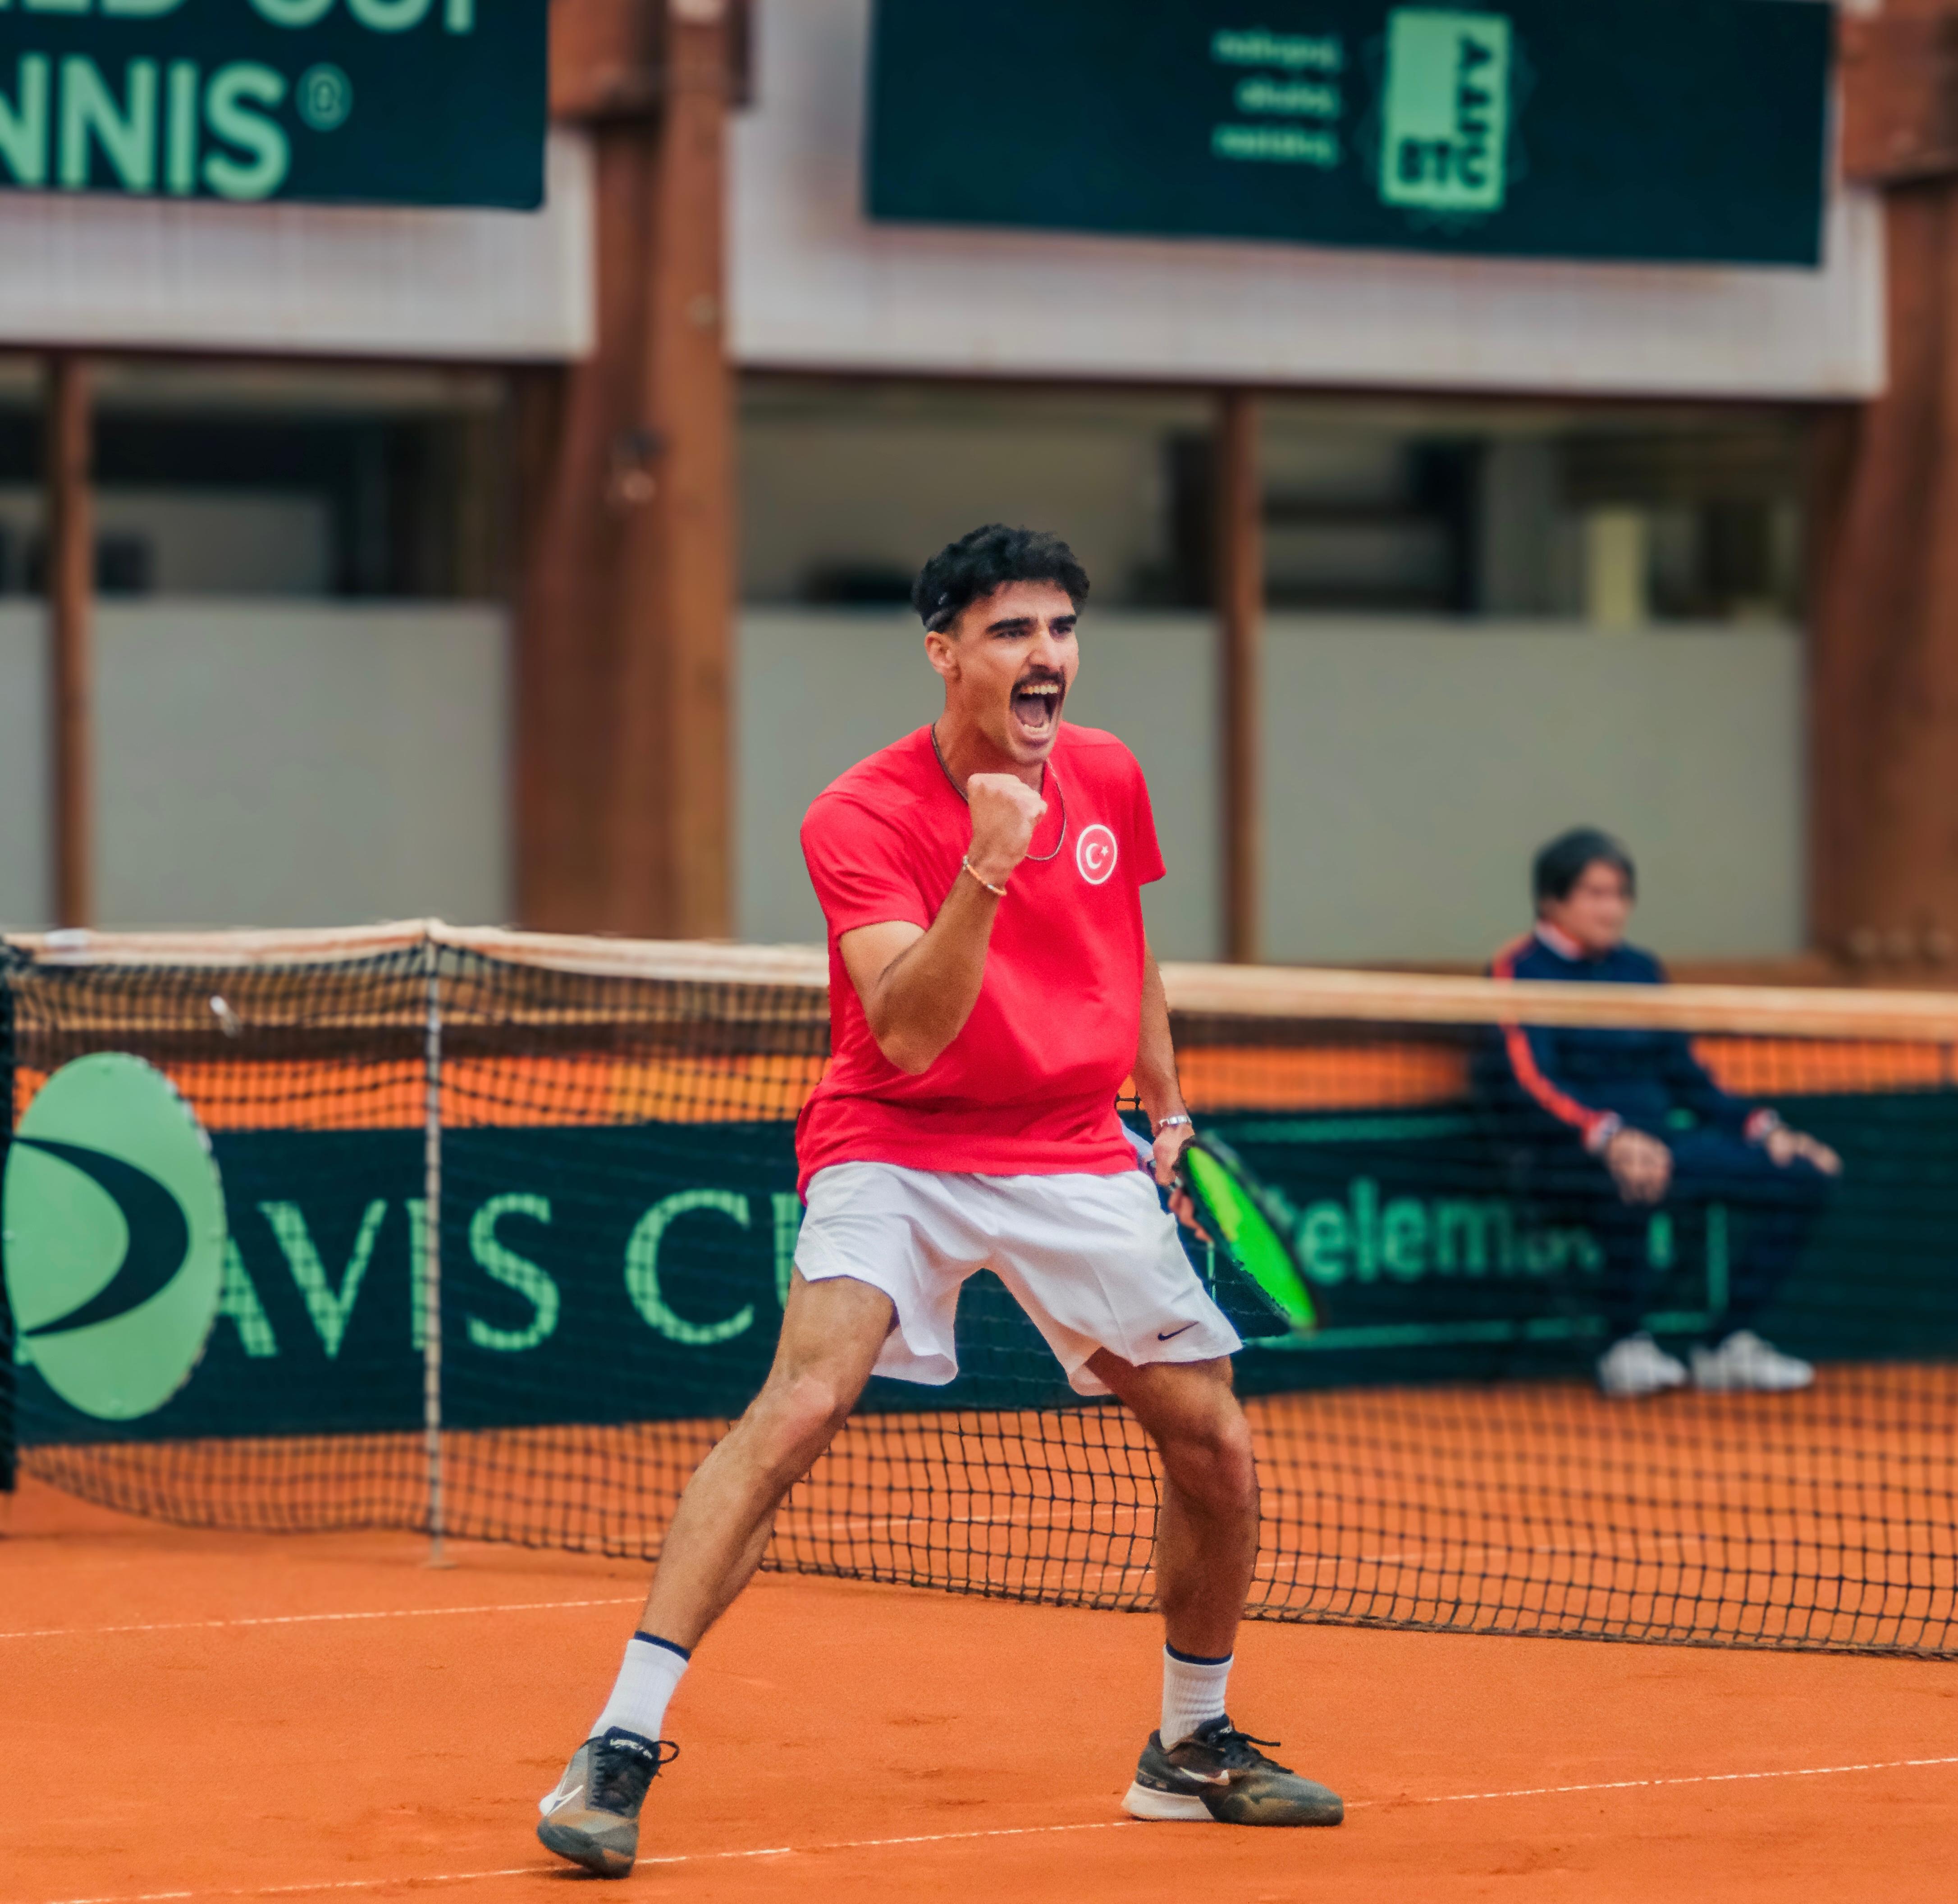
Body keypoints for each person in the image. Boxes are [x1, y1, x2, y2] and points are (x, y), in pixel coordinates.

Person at [534, 525, 1342, 1876]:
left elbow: (1124, 947)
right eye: (1014, 632)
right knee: (799, 1405)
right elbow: (905, 1031)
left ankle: (1187, 1742)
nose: (1048, 657)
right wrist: (985, 859)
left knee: (1213, 1445)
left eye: (1062, 630)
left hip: (1073, 1150)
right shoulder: (858, 815)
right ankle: (617, 1741)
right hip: (896, 1141)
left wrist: (1166, 1103)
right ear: (945, 651)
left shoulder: (1110, 775)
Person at [1475, 826, 1842, 1400]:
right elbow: (1528, 1081)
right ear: (1553, 901)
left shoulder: (1640, 969)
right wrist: (1609, 1137)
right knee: (1638, 1170)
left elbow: (1687, 1078)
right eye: (1595, 894)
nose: (1612, 908)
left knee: (1803, 1176)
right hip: (1564, 1159)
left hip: (1663, 1144)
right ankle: (1624, 1342)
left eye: (1620, 894)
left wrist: (1768, 1130)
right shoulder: (1518, 969)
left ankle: (1725, 1342)